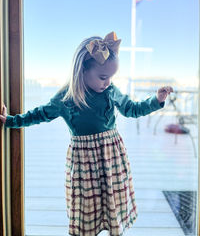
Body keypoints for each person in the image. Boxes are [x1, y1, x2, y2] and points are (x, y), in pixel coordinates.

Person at [0, 31, 173, 236]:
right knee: (86, 205)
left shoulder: (110, 91)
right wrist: (11, 121)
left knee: (113, 201)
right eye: (103, 77)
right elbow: (39, 114)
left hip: (111, 158)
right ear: (82, 70)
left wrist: (157, 100)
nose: (108, 82)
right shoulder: (65, 98)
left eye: (110, 77)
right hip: (84, 162)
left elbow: (132, 109)